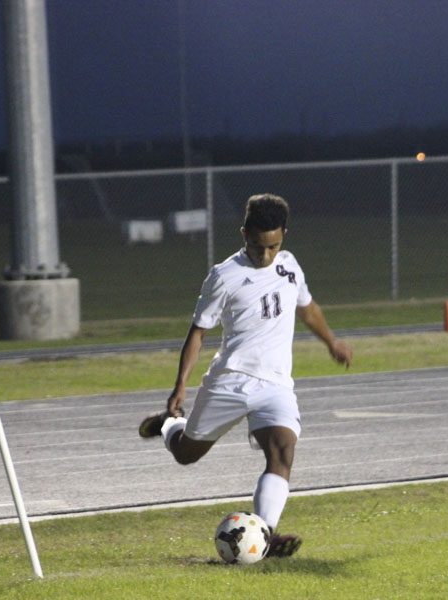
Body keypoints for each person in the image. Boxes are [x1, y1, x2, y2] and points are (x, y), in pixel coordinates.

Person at [139, 193, 353, 558]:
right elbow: (198, 333)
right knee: (186, 454)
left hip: (275, 385)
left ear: (283, 235)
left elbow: (308, 307)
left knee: (283, 450)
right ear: (244, 234)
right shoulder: (224, 276)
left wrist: (331, 341)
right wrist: (179, 389)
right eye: (257, 245)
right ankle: (168, 426)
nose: (265, 255)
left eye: (273, 246)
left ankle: (264, 536)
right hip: (231, 382)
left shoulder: (289, 266)